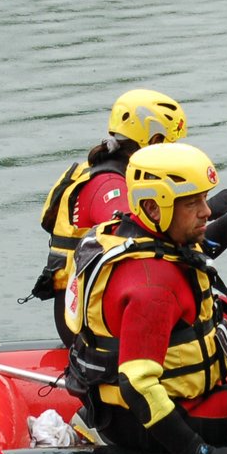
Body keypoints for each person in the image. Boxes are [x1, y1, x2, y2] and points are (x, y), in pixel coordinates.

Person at [61, 142, 227, 454]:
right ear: (153, 207)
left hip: (121, 410)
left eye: (205, 198)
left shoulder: (135, 233)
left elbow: (197, 248)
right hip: (153, 424)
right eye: (193, 202)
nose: (207, 211)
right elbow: (137, 385)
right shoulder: (153, 288)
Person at [28, 88, 188, 344]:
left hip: (94, 308)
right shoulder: (108, 186)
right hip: (86, 325)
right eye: (170, 143)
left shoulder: (120, 175)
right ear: (153, 140)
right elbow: (144, 236)